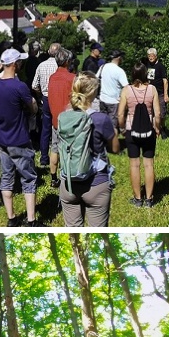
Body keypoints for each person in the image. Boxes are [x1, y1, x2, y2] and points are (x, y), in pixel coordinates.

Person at [57, 73, 119, 227]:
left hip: (68, 183)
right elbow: (115, 149)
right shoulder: (101, 119)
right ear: (94, 93)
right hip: (96, 184)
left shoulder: (64, 116)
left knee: (73, 234)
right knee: (97, 236)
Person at [0, 47, 43, 227]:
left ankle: (11, 218)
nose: (21, 64)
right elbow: (32, 108)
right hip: (19, 139)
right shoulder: (20, 87)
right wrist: (34, 103)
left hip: (2, 139)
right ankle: (31, 220)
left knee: (6, 177)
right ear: (14, 64)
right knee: (28, 178)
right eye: (20, 61)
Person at [116, 62, 162, 207]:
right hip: (148, 131)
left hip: (131, 131)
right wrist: (157, 127)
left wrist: (123, 128)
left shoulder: (126, 90)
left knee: (134, 165)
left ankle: (137, 199)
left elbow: (120, 114)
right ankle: (149, 199)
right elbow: (158, 113)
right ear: (145, 74)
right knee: (149, 164)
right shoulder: (152, 89)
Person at [45, 48, 76, 180]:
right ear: (68, 61)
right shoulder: (72, 78)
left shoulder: (52, 78)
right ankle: (67, 176)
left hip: (55, 119)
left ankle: (53, 177)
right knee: (68, 150)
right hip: (69, 120)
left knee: (55, 147)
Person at [31, 42, 63, 168]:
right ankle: (58, 155)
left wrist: (41, 93)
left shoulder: (41, 65)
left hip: (45, 98)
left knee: (45, 129)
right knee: (58, 128)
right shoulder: (59, 66)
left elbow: (34, 85)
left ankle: (44, 158)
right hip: (58, 98)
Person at [98, 49, 129, 133]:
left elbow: (96, 79)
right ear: (118, 58)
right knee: (112, 126)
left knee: (103, 124)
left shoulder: (102, 67)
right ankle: (112, 145)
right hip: (114, 102)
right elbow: (126, 87)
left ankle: (103, 143)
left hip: (102, 100)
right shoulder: (119, 71)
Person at [144, 48, 169, 121]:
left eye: (152, 56)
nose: (150, 58)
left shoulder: (161, 66)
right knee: (149, 112)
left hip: (159, 93)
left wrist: (165, 94)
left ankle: (162, 128)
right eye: (149, 56)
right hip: (149, 92)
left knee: (161, 113)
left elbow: (165, 81)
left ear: (156, 56)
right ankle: (152, 129)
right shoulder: (146, 65)